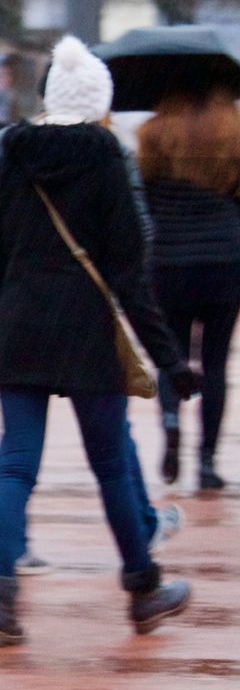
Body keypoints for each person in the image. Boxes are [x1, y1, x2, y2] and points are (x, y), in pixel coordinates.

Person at [0, 36, 195, 646]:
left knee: (16, 466)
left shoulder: (10, 155)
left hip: (19, 328)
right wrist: (170, 360)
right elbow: (129, 274)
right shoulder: (105, 160)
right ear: (100, 103)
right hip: (86, 331)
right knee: (109, 466)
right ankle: (144, 587)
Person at [138, 92, 240, 492]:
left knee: (172, 356)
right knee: (215, 363)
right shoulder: (233, 136)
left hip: (169, 261)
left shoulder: (154, 134)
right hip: (224, 260)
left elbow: (143, 202)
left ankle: (171, 423)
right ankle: (208, 461)